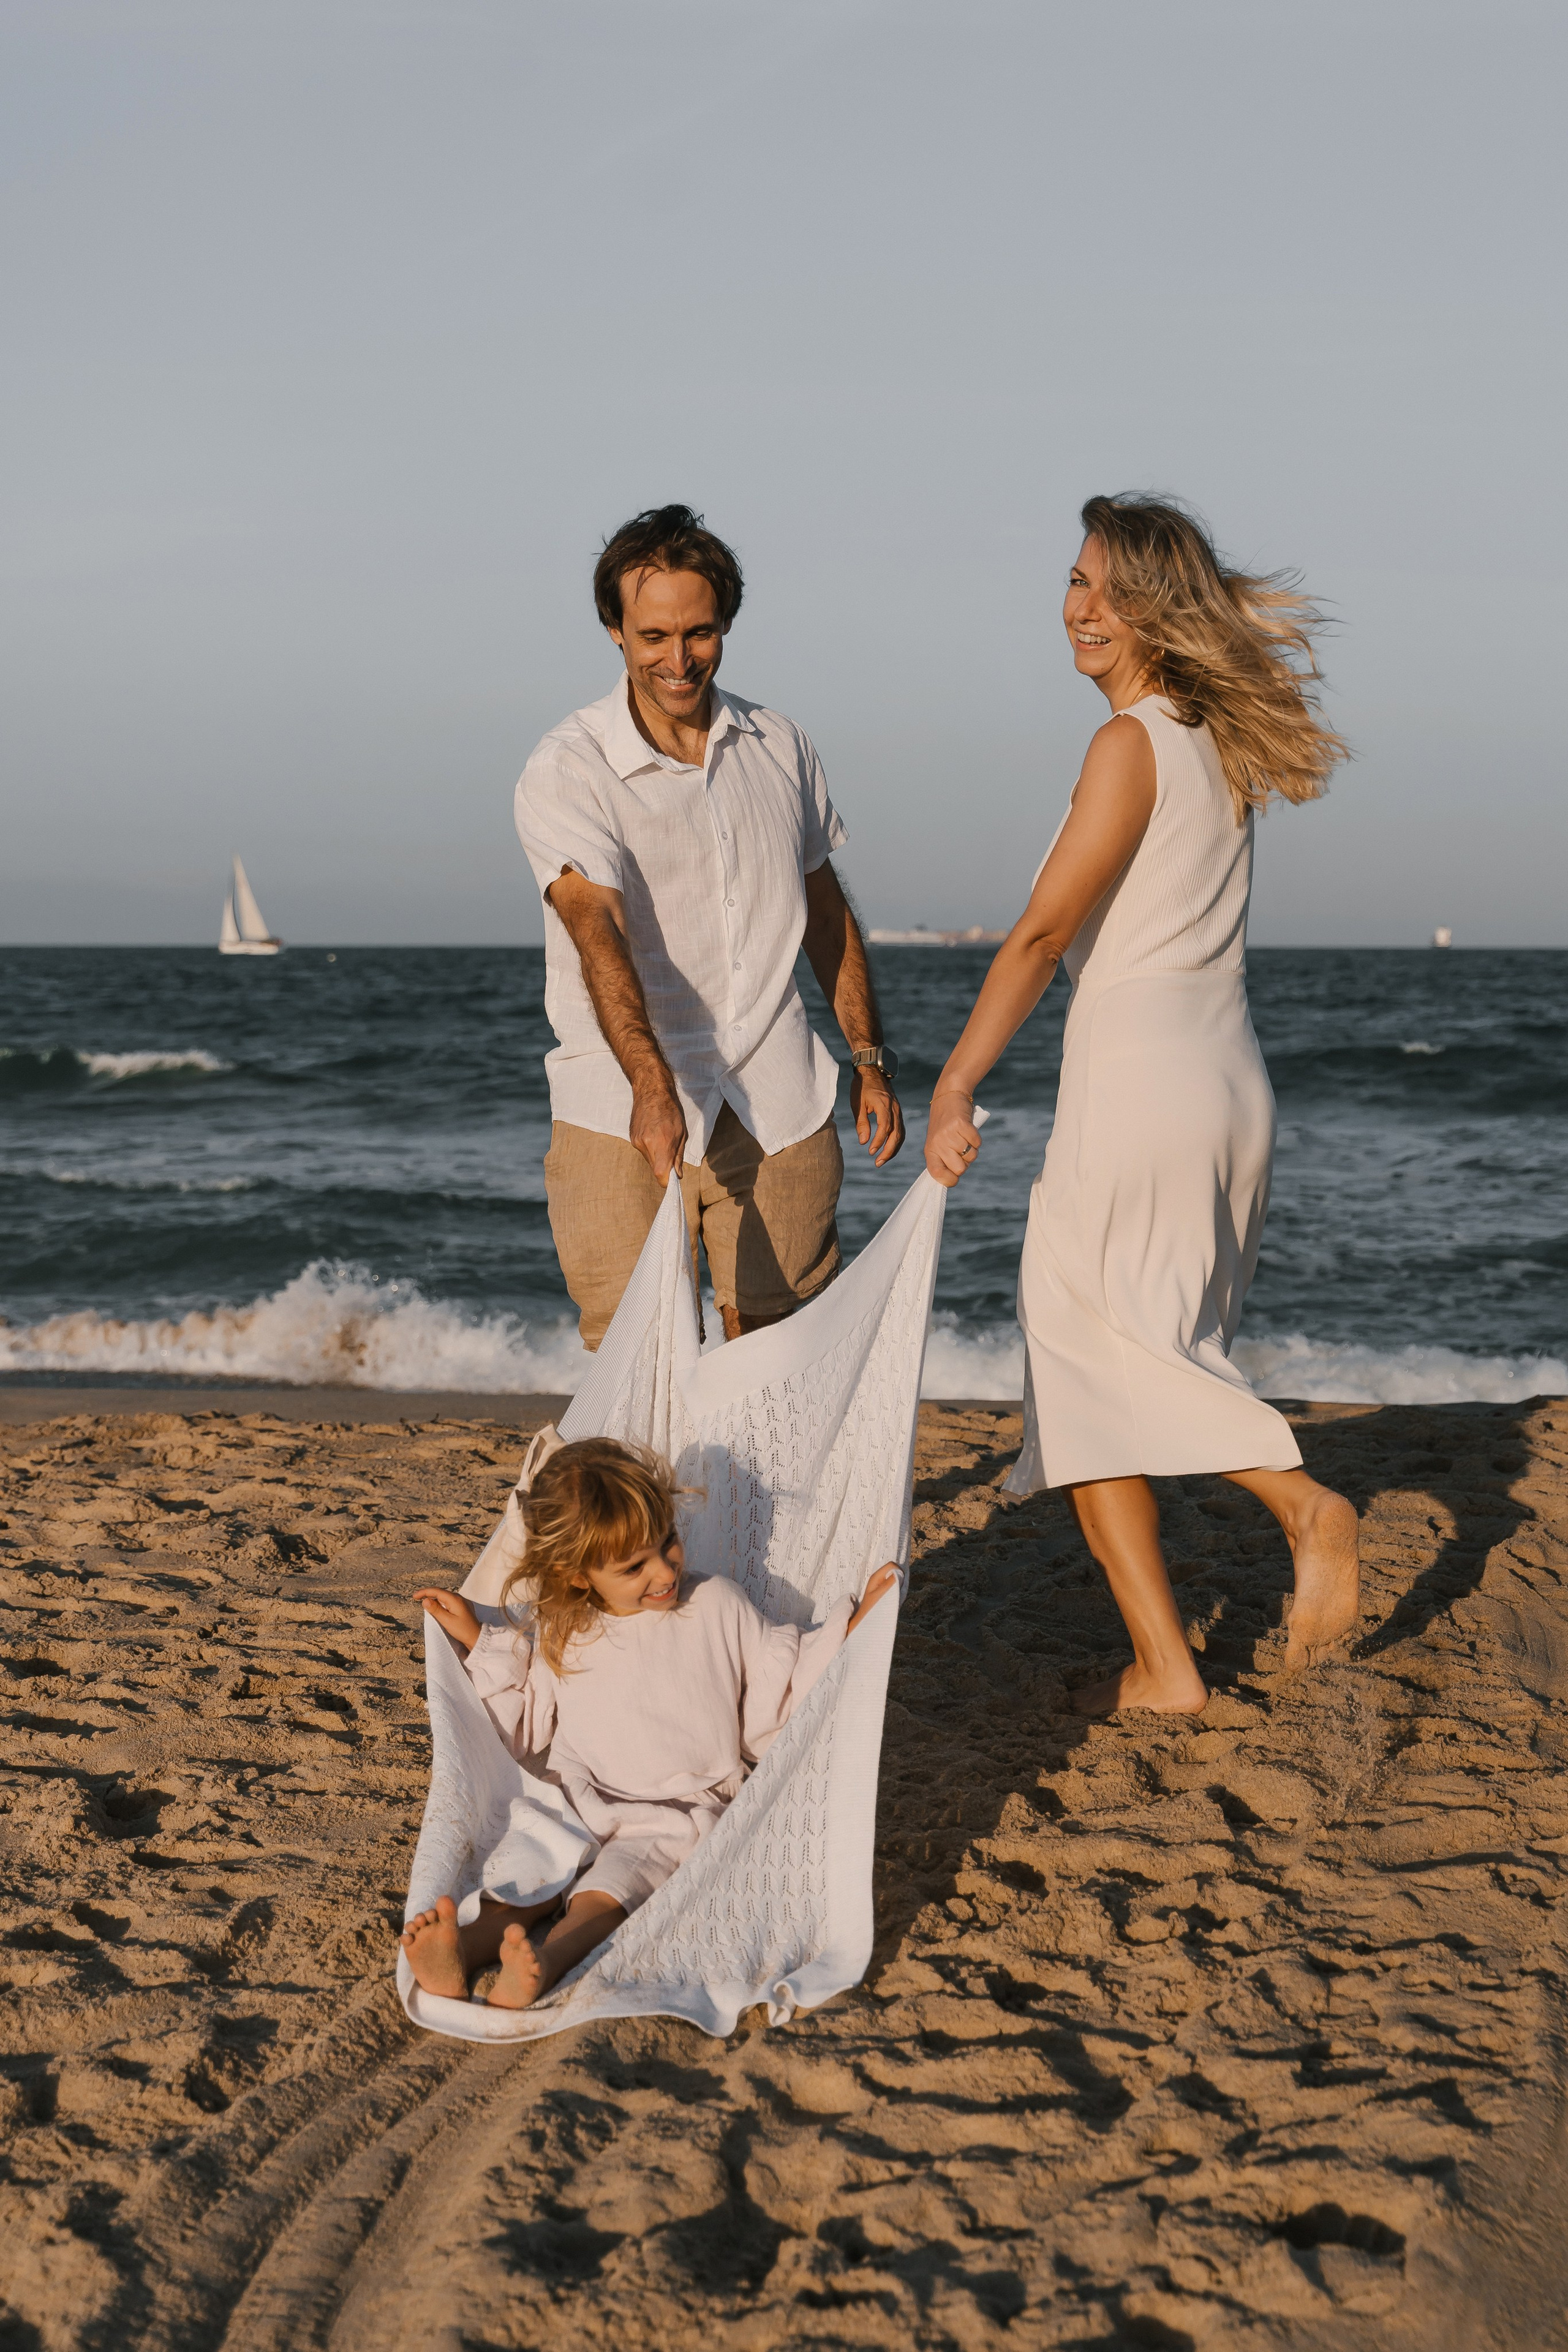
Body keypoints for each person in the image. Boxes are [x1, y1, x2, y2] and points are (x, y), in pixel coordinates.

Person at [925, 494, 1360, 1717]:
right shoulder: (1220, 747)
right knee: (1114, 1364)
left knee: (1093, 1354)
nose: (1077, 608)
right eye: (1070, 582)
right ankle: (1163, 1668)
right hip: (1224, 1083)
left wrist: (956, 1081)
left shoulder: (1128, 747)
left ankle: (1298, 1508)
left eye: (1103, 590)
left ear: (1156, 613)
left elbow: (1042, 932)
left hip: (1139, 1086)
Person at [515, 504, 903, 1351]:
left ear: (725, 624)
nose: (678, 658)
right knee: (638, 1357)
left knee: (771, 1351)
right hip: (618, 1105)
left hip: (779, 1096)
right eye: (654, 635)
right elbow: (596, 931)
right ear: (614, 630)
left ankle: (754, 1493)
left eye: (700, 632)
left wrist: (870, 1061)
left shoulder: (781, 745)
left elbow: (826, 913)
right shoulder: (568, 766)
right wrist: (652, 1087)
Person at [402, 1438, 897, 2007]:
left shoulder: (717, 1604)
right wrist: (474, 1639)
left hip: (674, 1808)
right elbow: (526, 1722)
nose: (664, 1571)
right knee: (525, 1880)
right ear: (579, 1575)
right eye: (635, 1566)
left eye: (669, 1542)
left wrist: (851, 1630)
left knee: (607, 1895)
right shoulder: (564, 1627)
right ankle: (462, 1951)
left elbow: (776, 1692)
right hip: (578, 1797)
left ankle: (545, 1960)